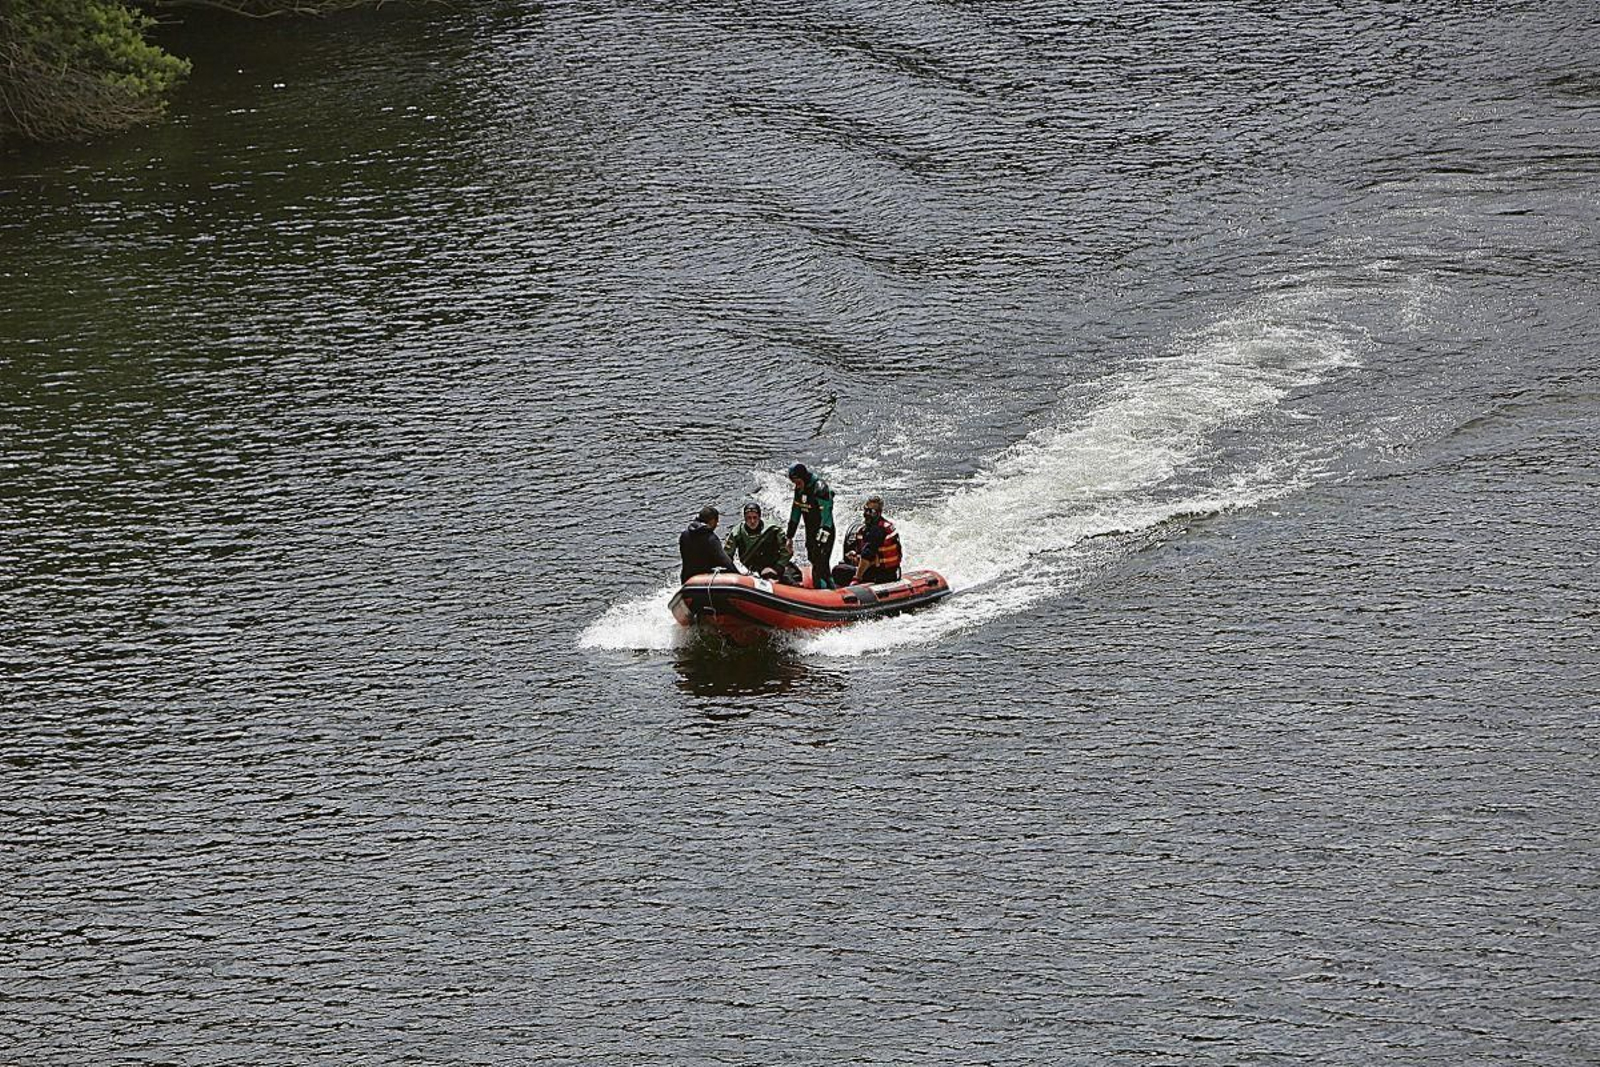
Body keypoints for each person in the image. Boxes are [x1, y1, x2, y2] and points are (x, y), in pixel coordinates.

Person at [785, 463, 837, 590]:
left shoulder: (820, 488)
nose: (796, 486)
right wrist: (789, 536)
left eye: (797, 482)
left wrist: (823, 534)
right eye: (794, 483)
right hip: (811, 532)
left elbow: (827, 514)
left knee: (821, 564)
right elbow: (795, 513)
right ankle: (827, 586)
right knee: (813, 558)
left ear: (803, 477)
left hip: (825, 530)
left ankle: (828, 591)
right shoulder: (799, 490)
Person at [724, 501, 799, 583]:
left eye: (755, 517)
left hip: (775, 565)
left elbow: (787, 551)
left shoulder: (773, 530)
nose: (752, 521)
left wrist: (777, 568)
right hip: (754, 569)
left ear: (759, 517)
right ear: (744, 518)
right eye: (749, 518)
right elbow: (727, 555)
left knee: (792, 581)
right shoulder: (736, 533)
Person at [849, 494, 902, 585]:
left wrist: (857, 578)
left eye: (871, 511)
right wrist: (855, 555)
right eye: (866, 510)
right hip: (882, 571)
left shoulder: (878, 530)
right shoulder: (867, 529)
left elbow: (867, 555)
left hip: (884, 574)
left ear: (879, 513)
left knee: (839, 571)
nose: (867, 514)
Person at [679, 505, 736, 583]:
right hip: (705, 581)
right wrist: (739, 575)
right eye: (716, 521)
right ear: (712, 521)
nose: (717, 525)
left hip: (686, 579)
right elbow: (725, 562)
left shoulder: (684, 535)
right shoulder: (711, 539)